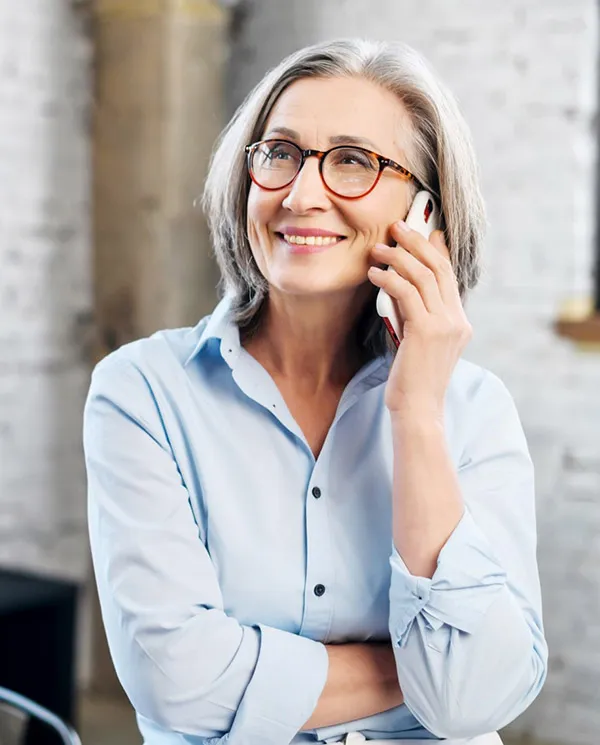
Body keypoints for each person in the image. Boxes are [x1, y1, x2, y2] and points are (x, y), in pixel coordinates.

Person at [83, 38, 548, 745]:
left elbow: (476, 697)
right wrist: (415, 670)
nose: (301, 194)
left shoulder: (472, 410)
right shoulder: (143, 392)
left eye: (354, 162)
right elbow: (176, 682)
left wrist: (416, 411)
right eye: (280, 153)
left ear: (427, 211)